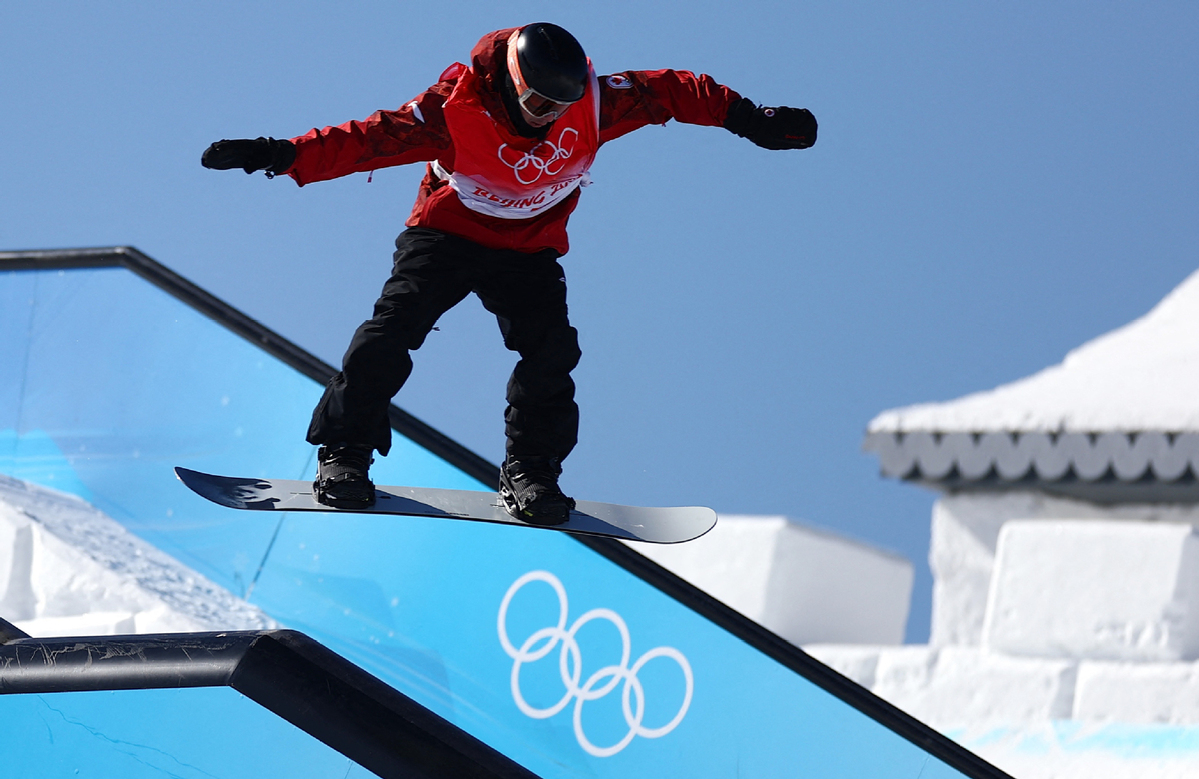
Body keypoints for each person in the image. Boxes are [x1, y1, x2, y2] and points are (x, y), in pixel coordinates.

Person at [201, 22, 816, 525]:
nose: (551, 117)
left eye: (562, 105)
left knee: (551, 353)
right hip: (445, 237)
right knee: (391, 332)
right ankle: (345, 453)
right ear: (511, 83)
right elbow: (369, 139)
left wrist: (750, 118)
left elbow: (676, 91)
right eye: (540, 103)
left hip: (528, 246)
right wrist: (280, 154)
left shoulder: (599, 103)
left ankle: (531, 471)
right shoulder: (453, 108)